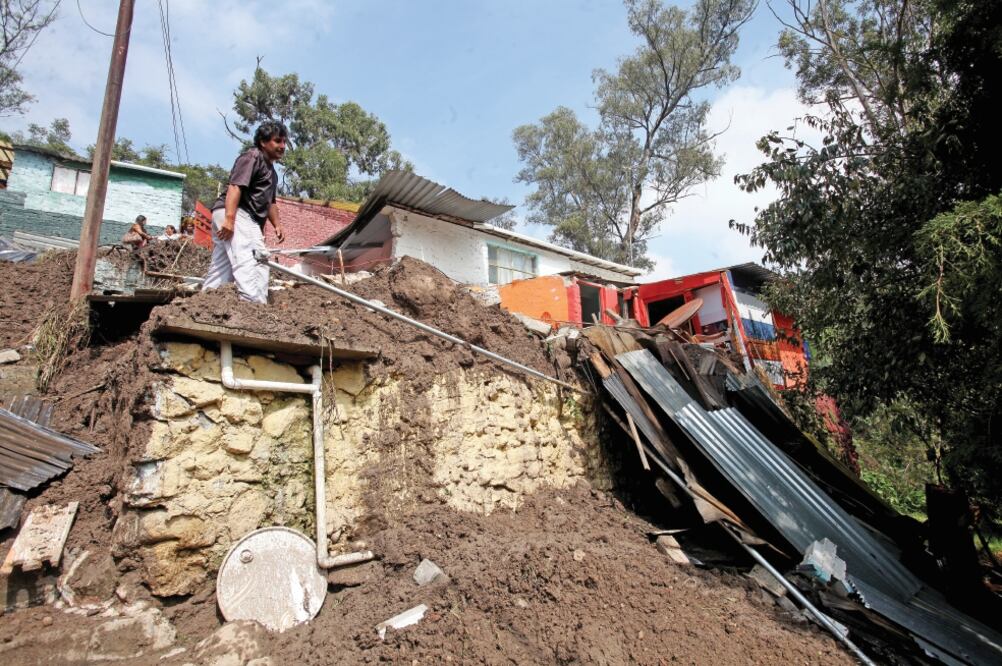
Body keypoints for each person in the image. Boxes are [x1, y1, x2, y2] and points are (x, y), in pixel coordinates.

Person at [202, 121, 287, 303]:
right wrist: (230, 219)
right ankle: (253, 306)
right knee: (255, 260)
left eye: (284, 142)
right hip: (238, 213)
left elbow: (270, 202)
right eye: (277, 141)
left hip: (232, 214)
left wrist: (277, 225)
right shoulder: (252, 157)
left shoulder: (272, 172)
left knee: (222, 265)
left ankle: (205, 303)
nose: (282, 146)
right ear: (263, 142)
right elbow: (235, 187)